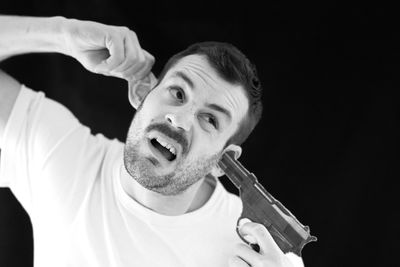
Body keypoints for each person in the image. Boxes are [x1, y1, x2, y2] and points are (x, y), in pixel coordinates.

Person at [0, 15, 304, 267]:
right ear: (142, 94)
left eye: (210, 120)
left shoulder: (264, 254)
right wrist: (62, 34)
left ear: (223, 161)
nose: (180, 119)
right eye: (178, 93)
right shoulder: (61, 156)